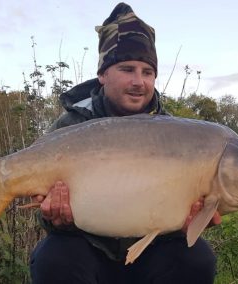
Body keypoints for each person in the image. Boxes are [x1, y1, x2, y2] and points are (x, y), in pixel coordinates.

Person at [30, 3, 221, 283]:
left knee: (196, 258)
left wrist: (189, 222)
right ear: (103, 74)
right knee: (55, 256)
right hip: (90, 250)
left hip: (153, 251)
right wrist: (55, 218)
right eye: (127, 69)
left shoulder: (175, 133)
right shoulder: (71, 126)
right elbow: (44, 212)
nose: (139, 82)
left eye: (147, 72)